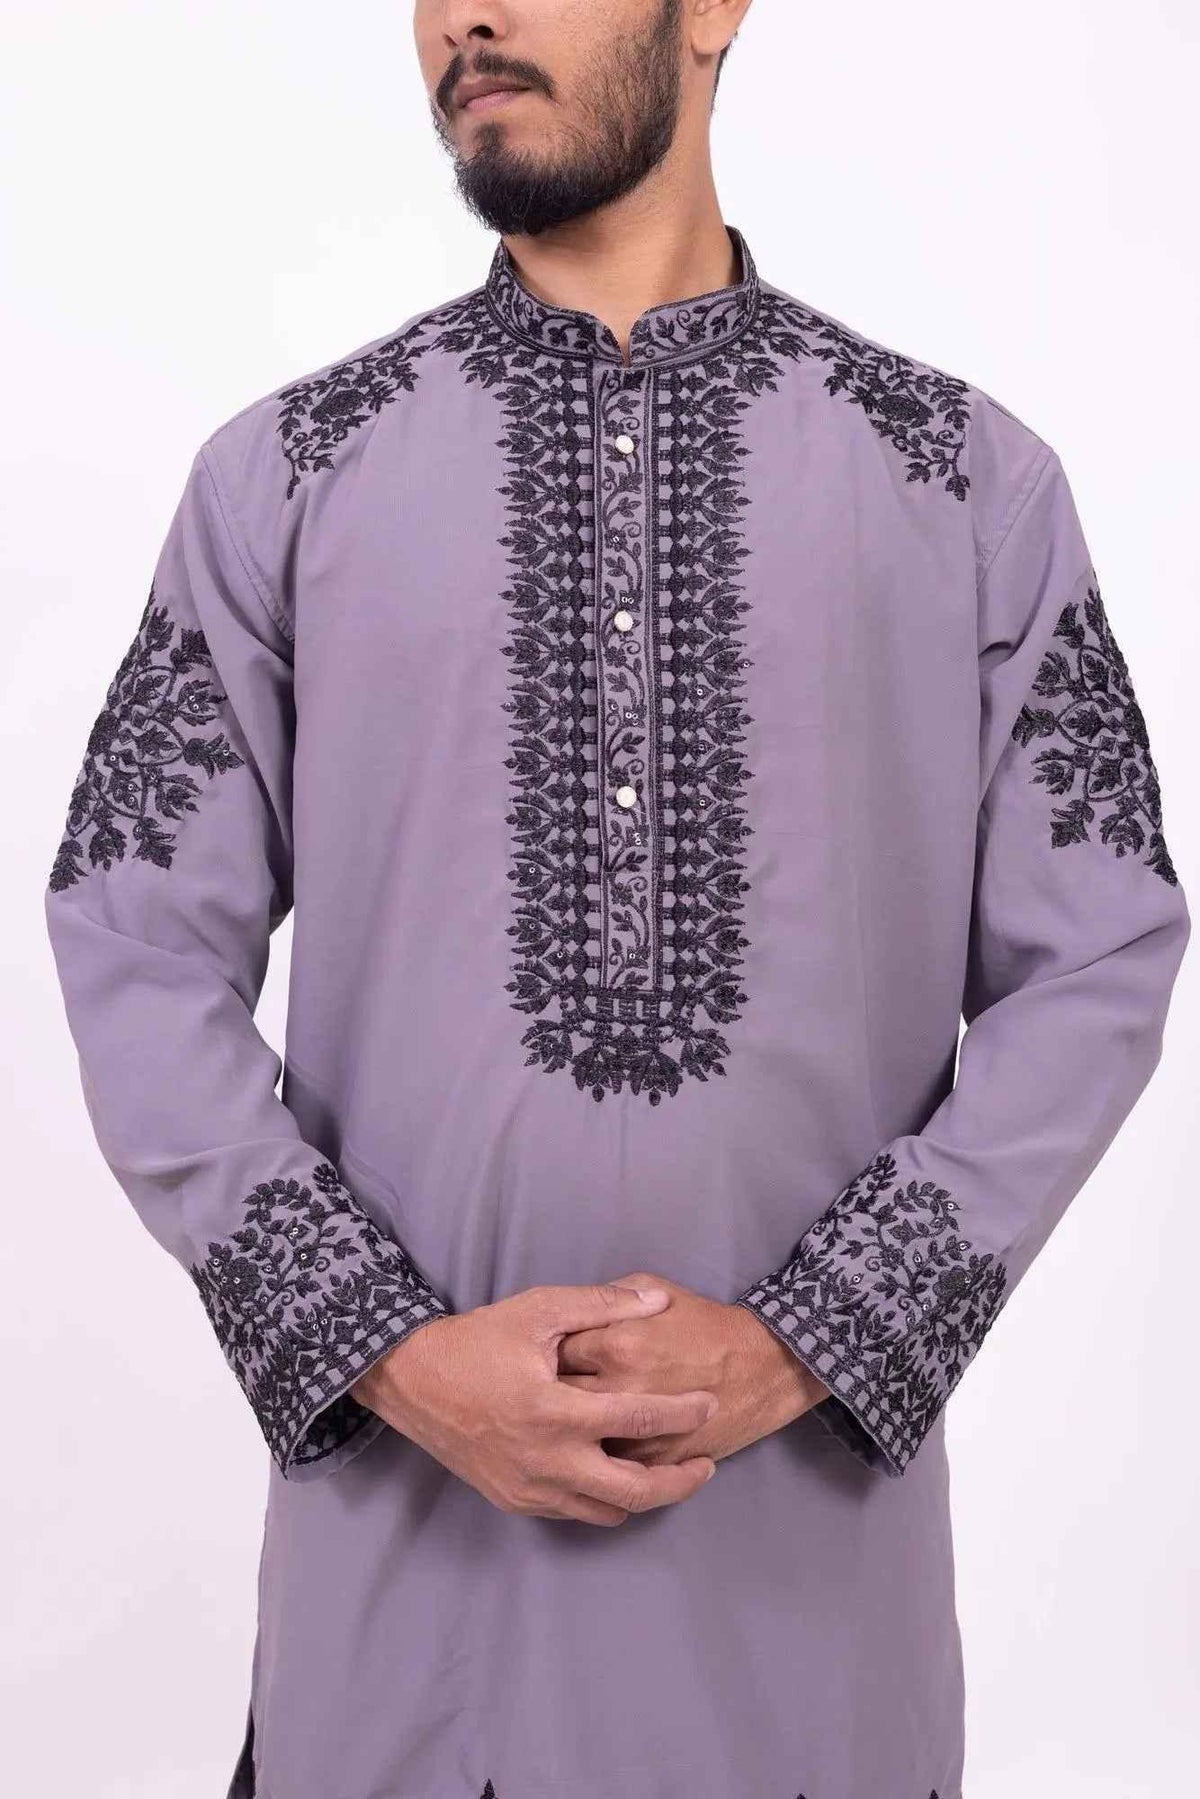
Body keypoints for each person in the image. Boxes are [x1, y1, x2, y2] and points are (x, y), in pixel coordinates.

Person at [44, 3, 1190, 1797]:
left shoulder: (966, 485)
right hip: (402, 1668)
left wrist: (816, 1341)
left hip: (812, 1663)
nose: (466, 17)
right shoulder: (288, 480)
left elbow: (1103, 949)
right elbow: (130, 936)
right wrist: (391, 1356)